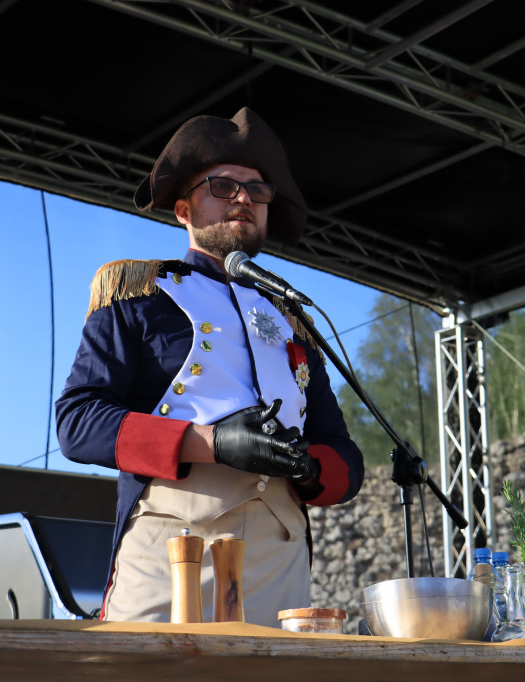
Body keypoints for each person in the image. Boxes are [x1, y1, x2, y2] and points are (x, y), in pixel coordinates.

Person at [55, 107, 364, 627]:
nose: (244, 198)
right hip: (172, 549)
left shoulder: (292, 321)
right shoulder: (136, 295)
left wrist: (309, 467)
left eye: (258, 190)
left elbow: (345, 457)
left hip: (279, 561)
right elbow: (78, 422)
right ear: (183, 209)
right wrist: (212, 443)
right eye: (223, 186)